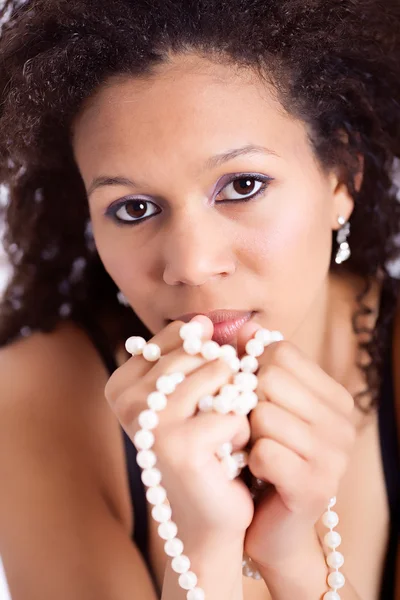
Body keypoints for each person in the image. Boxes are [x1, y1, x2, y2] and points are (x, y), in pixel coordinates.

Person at [0, 0, 399, 598]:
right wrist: (204, 546)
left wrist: (290, 553)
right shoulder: (31, 402)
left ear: (342, 175)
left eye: (242, 185)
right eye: (134, 208)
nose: (189, 266)